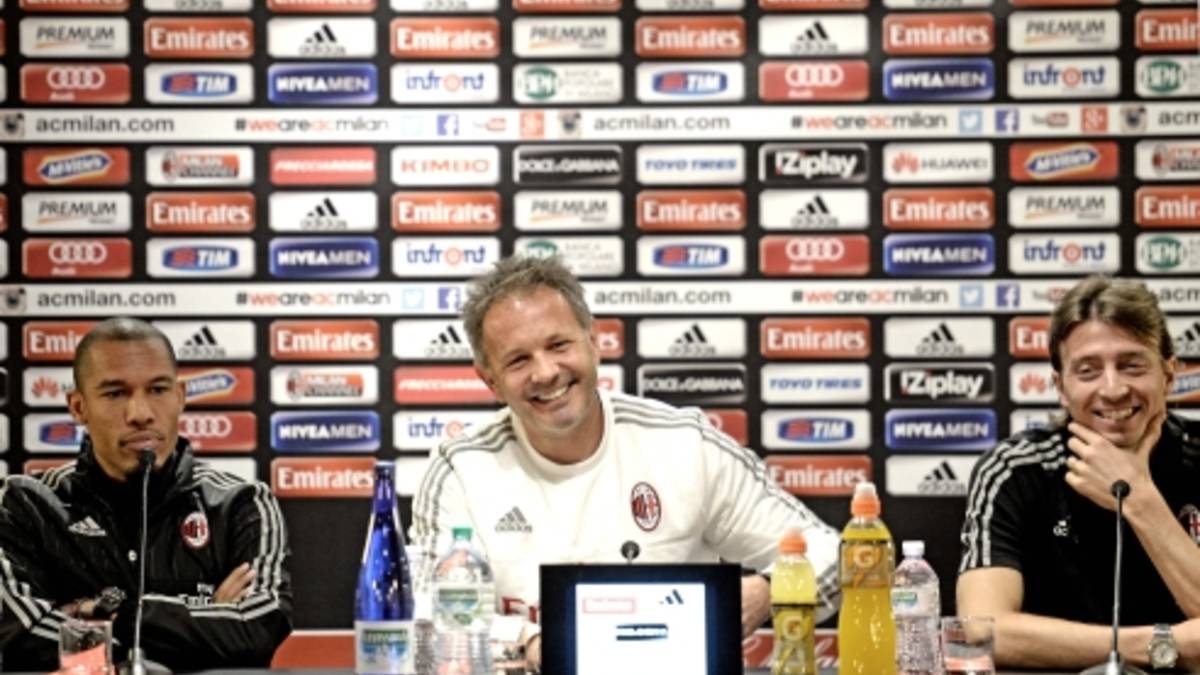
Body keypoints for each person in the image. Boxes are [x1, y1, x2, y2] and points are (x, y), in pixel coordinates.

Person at [410, 255, 841, 665]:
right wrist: (535, 643)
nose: (545, 372)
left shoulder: (683, 443)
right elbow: (426, 617)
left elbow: (833, 555)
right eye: (519, 360)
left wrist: (766, 593)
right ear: (490, 381)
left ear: (593, 343)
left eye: (558, 345)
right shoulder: (459, 470)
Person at [0, 318, 293, 670]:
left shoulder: (241, 503)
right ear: (78, 407)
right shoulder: (24, 504)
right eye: (115, 393)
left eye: (157, 390)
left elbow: (257, 629)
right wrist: (204, 618)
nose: (140, 414)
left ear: (180, 397)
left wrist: (102, 613)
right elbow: (19, 633)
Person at [958, 276, 1200, 670]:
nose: (1113, 389)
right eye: (1088, 371)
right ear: (1061, 387)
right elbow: (984, 629)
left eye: (1132, 366)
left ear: (1169, 374)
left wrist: (1138, 497)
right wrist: (1164, 643)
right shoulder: (1017, 469)